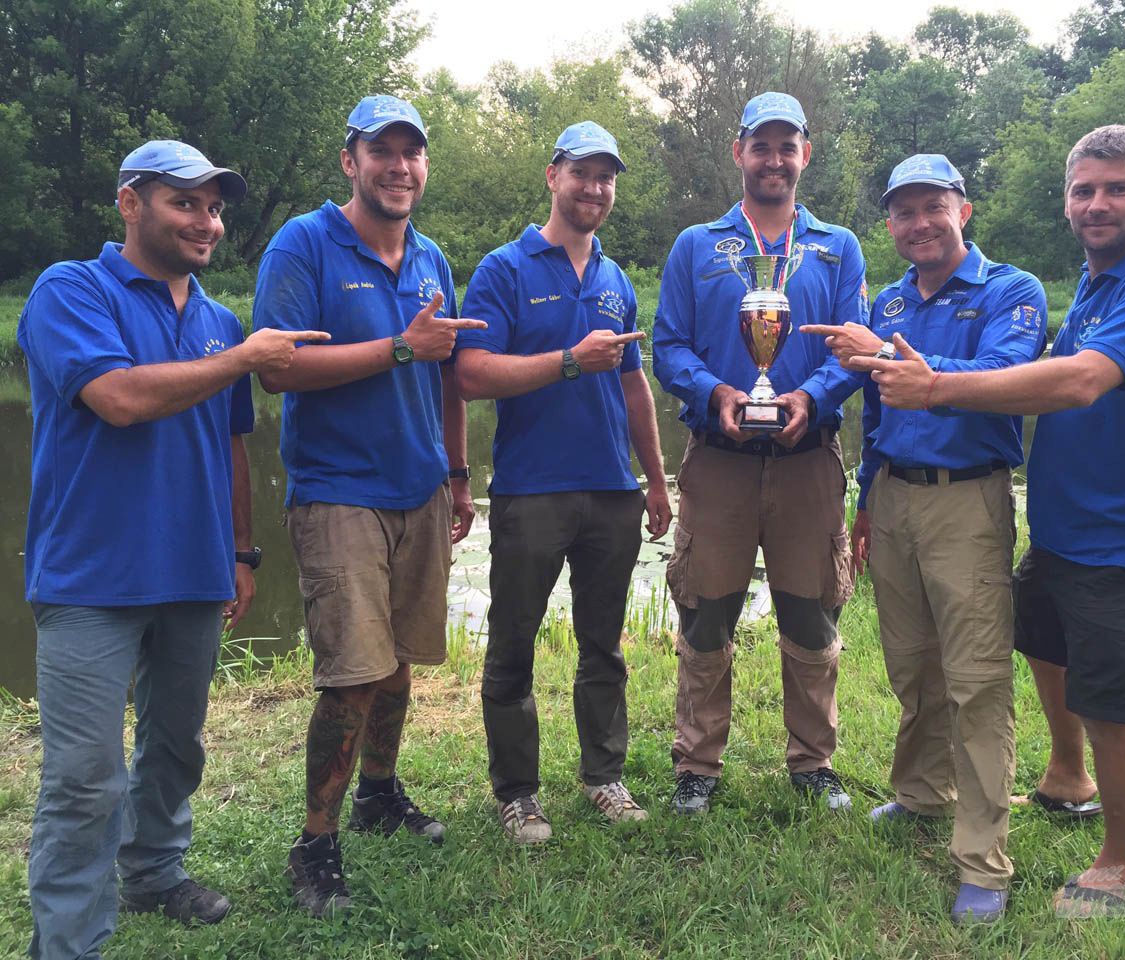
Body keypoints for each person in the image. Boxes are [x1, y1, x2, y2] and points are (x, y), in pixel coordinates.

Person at [841, 125, 1125, 913]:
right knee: (956, 659)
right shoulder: (1091, 280)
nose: (1097, 204)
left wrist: (931, 381)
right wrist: (868, 495)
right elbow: (879, 412)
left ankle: (1055, 863)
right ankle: (995, 783)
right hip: (1052, 526)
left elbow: (1064, 380)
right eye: (1084, 190)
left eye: (1116, 189)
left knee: (1049, 693)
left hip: (1116, 530)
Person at [19, 140, 325, 959]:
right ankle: (70, 943)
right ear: (130, 202)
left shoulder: (220, 321)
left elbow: (232, 449)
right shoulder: (69, 291)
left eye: (216, 207)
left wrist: (242, 555)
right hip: (89, 576)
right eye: (185, 202)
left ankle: (154, 870)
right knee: (85, 778)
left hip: (193, 571)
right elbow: (116, 398)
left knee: (175, 744)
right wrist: (242, 358)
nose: (208, 222)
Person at [251, 95, 486, 917]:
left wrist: (457, 476)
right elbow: (276, 368)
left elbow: (447, 372)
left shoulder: (432, 258)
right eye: (380, 151)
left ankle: (378, 794)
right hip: (338, 492)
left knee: (394, 667)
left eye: (411, 152)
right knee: (350, 676)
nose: (398, 167)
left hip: (419, 490)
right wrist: (397, 347)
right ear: (349, 161)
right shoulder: (303, 245)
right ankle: (315, 845)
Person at [802, 154, 1048, 922]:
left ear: (963, 210)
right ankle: (921, 794)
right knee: (914, 666)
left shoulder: (1012, 291)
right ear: (891, 226)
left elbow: (1005, 374)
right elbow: (873, 403)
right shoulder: (890, 302)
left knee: (976, 681)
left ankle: (984, 861)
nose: (919, 223)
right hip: (896, 497)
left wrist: (893, 360)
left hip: (967, 504)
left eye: (932, 206)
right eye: (903, 212)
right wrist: (866, 492)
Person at [455, 121, 671, 843]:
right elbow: (472, 373)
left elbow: (636, 389)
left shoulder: (615, 280)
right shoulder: (504, 268)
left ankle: (604, 776)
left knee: (603, 645)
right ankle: (517, 792)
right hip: (531, 490)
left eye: (607, 178)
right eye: (583, 173)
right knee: (513, 641)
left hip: (612, 491)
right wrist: (569, 361)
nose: (595, 189)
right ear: (553, 176)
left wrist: (658, 481)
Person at [652, 92, 866, 815]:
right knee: (706, 613)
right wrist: (715, 393)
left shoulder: (837, 246)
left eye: (788, 144)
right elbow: (668, 345)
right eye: (761, 144)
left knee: (811, 614)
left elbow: (855, 347)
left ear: (806, 154)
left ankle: (812, 762)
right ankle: (698, 768)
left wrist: (812, 397)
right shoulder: (696, 245)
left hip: (808, 458)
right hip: (719, 460)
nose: (774, 158)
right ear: (738, 151)